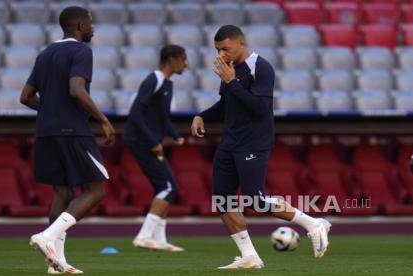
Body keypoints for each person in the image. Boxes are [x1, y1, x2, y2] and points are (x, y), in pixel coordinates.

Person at [190, 25, 331, 269]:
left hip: (253, 142)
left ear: (241, 43)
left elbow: (260, 108)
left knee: (255, 200)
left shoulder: (261, 67)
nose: (221, 55)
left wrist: (231, 82)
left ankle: (313, 223)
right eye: (217, 50)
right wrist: (201, 115)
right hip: (230, 142)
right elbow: (227, 105)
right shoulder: (230, 70)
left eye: (226, 48)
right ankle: (250, 257)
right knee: (222, 201)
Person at [20, 6, 115, 274]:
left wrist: (50, 109)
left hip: (46, 130)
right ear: (80, 26)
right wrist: (103, 120)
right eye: (91, 23)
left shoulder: (45, 53)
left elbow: (25, 96)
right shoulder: (81, 50)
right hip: (72, 129)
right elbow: (76, 89)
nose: (93, 27)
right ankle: (48, 236)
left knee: (62, 192)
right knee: (96, 189)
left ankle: (56, 264)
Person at [123, 44, 188, 252]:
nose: (185, 64)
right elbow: (135, 114)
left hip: (148, 140)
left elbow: (163, 116)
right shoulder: (154, 79)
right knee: (170, 187)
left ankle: (160, 239)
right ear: (172, 59)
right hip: (140, 140)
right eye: (183, 59)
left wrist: (175, 136)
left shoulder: (168, 84)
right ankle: (143, 236)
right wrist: (153, 142)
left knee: (164, 188)